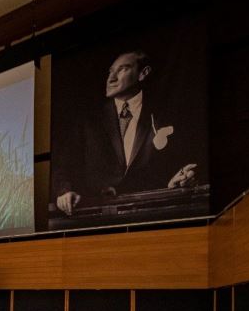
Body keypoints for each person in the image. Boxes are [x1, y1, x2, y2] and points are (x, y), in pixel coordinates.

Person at [53, 50, 200, 216]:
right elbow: (63, 166)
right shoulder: (88, 121)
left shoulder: (165, 113)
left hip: (152, 216)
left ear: (143, 74)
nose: (111, 78)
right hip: (98, 219)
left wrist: (175, 181)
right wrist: (64, 192)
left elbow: (178, 164)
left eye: (122, 69)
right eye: (110, 72)